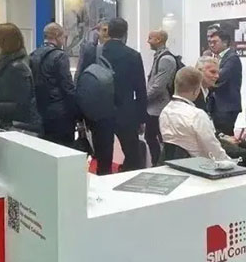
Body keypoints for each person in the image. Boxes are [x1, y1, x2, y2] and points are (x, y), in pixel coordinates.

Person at [97, 18, 147, 172]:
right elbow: (140, 89)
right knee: (133, 157)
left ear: (109, 31)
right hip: (126, 111)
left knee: (103, 160)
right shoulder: (133, 55)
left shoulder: (96, 53)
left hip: (100, 111)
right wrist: (141, 118)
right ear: (126, 33)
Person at [0, 23, 41, 134]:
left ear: (5, 44)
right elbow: (8, 96)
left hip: (19, 130)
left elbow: (22, 105)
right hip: (8, 128)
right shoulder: (8, 66)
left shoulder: (18, 68)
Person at [160, 67, 230, 161]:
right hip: (195, 165)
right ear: (196, 91)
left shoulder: (165, 111)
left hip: (169, 163)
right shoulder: (197, 115)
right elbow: (213, 150)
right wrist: (230, 162)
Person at [30, 22, 79, 147]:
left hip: (39, 111)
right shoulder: (60, 56)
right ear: (57, 35)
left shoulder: (33, 55)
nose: (64, 40)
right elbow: (67, 86)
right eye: (63, 37)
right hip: (59, 113)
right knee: (64, 149)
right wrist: (77, 111)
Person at [145, 29, 177, 165]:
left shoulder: (166, 59)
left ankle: (159, 163)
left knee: (157, 138)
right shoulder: (160, 57)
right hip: (155, 107)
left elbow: (158, 86)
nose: (148, 41)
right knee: (151, 137)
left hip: (159, 108)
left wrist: (143, 99)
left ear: (159, 40)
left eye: (150, 38)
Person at [208, 29, 242, 135]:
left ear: (225, 42)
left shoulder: (232, 58)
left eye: (215, 42)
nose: (211, 45)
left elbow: (220, 77)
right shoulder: (214, 57)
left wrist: (205, 81)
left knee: (226, 138)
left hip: (227, 107)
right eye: (210, 42)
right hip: (216, 106)